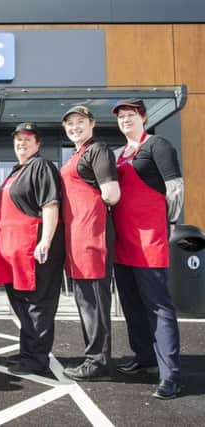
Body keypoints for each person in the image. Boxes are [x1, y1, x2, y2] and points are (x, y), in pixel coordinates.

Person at [111, 99, 183, 399]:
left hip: (149, 240)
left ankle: (171, 376)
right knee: (131, 305)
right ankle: (144, 357)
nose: (126, 119)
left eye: (131, 115)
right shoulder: (118, 154)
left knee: (158, 308)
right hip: (122, 242)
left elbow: (175, 189)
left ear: (143, 117)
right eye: (121, 116)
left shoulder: (158, 145)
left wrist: (166, 225)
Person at [0, 122, 65, 375]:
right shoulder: (16, 171)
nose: (21, 143)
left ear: (38, 144)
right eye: (18, 140)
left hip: (34, 250)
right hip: (14, 252)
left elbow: (50, 204)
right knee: (23, 305)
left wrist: (45, 241)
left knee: (38, 306)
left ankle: (37, 360)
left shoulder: (41, 166)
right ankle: (27, 352)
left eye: (27, 139)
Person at [59, 106, 121, 381]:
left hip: (92, 237)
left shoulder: (98, 150)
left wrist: (91, 215)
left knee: (95, 302)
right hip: (78, 238)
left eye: (80, 122)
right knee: (86, 303)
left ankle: (98, 363)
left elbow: (112, 194)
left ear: (92, 123)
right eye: (70, 123)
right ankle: (94, 358)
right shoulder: (77, 154)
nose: (74, 127)